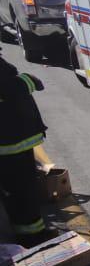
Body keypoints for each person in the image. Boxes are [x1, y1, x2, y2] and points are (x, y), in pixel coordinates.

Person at [0, 44, 51, 247]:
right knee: (23, 194)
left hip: (14, 145)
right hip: (11, 147)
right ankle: (32, 238)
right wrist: (30, 79)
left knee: (23, 193)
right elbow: (11, 88)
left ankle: (33, 233)